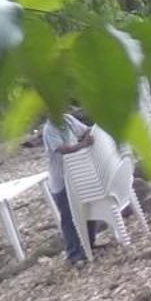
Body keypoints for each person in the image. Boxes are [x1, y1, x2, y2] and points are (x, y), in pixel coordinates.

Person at [42, 110, 100, 266]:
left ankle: (90, 244)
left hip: (77, 175)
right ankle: (73, 253)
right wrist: (83, 144)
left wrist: (90, 134)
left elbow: (85, 130)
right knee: (68, 217)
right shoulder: (49, 129)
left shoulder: (67, 119)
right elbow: (63, 150)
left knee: (87, 208)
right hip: (61, 180)